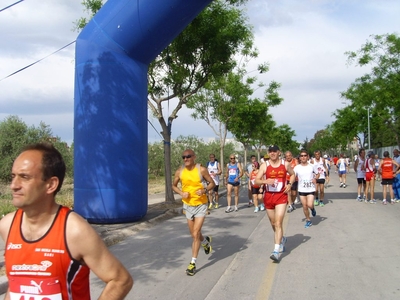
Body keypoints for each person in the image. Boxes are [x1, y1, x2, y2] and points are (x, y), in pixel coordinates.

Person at [0, 143, 133, 299]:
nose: (14, 185)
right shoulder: (7, 225)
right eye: (13, 176)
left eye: (25, 177)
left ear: (51, 184)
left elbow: (120, 280)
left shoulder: (74, 230)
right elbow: (17, 284)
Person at [172, 149, 215, 276]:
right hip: (188, 205)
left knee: (196, 233)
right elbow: (173, 185)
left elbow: (212, 183)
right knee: (194, 235)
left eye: (188, 156)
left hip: (201, 204)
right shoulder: (180, 171)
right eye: (183, 157)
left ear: (194, 157)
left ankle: (192, 263)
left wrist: (205, 190)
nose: (185, 159)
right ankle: (206, 242)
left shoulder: (201, 170)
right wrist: (181, 193)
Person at [255, 145, 295, 262]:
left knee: (278, 223)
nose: (272, 153)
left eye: (274, 151)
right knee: (273, 223)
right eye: (270, 151)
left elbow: (293, 175)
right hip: (268, 197)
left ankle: (276, 251)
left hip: (281, 196)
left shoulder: (285, 164)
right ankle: (282, 239)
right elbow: (256, 180)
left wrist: (289, 184)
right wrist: (265, 181)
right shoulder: (264, 165)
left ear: (279, 152)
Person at [293, 150, 318, 229]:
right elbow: (293, 176)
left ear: (307, 157)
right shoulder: (297, 168)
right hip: (301, 189)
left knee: (310, 204)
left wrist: (315, 179)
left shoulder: (312, 166)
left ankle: (313, 209)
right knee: (304, 206)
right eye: (301, 156)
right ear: (300, 158)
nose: (303, 157)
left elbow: (318, 174)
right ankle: (308, 220)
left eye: (305, 155)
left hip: (310, 188)